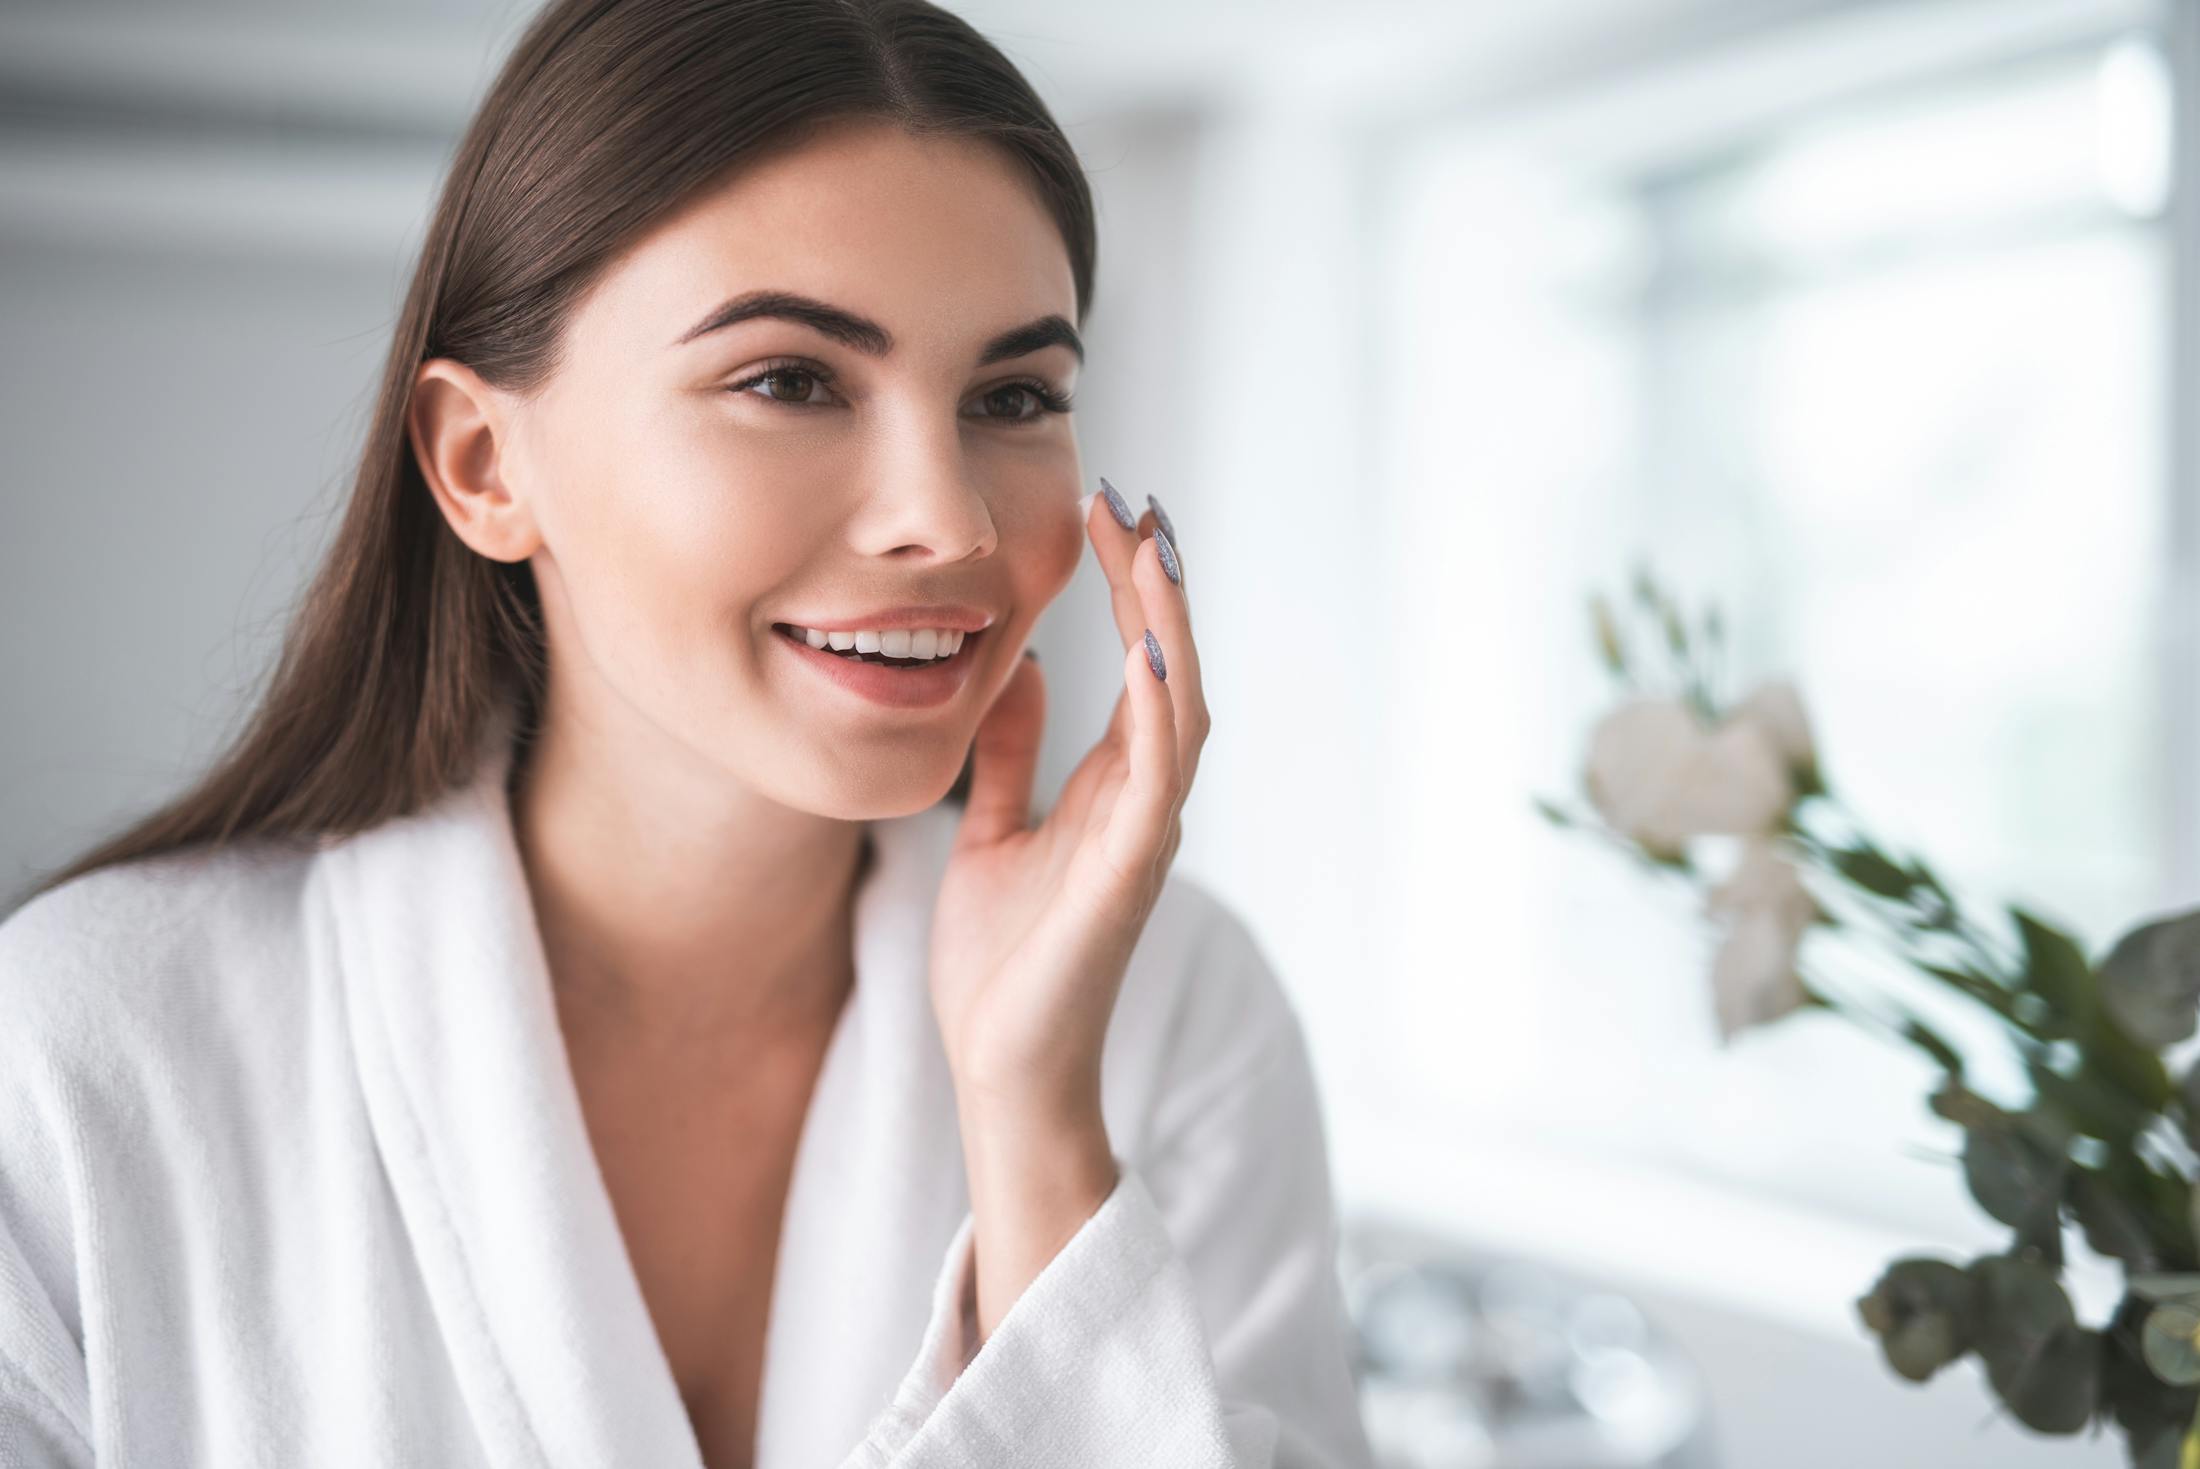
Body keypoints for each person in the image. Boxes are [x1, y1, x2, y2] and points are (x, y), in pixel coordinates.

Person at [0, 1, 1376, 1465]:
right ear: (482, 464)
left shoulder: (1177, 1014)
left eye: (1014, 395)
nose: (951, 518)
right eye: (789, 380)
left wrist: (1036, 1126)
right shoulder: (86, 1049)